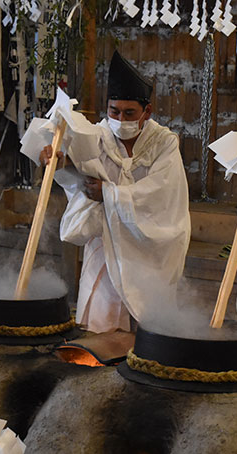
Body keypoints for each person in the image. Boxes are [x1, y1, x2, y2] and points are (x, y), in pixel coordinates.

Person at [41, 51, 191, 333]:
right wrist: (58, 160)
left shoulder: (163, 143)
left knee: (148, 330)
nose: (120, 118)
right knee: (102, 329)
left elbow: (162, 193)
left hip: (150, 250)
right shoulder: (97, 136)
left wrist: (109, 194)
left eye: (129, 113)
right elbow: (76, 169)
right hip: (106, 246)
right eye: (114, 111)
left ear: (147, 112)